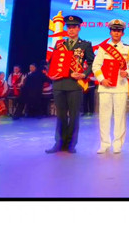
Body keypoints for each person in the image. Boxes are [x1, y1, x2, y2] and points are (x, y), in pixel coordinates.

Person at [45, 15, 95, 154]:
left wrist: (84, 74)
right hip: (59, 83)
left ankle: (71, 144)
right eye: (69, 27)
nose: (71, 30)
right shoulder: (59, 44)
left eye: (74, 27)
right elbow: (52, 62)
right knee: (60, 115)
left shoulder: (85, 45)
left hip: (74, 85)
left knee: (74, 115)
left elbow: (92, 63)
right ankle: (58, 143)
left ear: (79, 28)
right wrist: (50, 74)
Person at [92, 19, 129, 154]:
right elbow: (96, 66)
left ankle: (118, 144)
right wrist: (102, 79)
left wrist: (127, 73)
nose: (116, 33)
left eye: (119, 30)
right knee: (104, 116)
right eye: (114, 30)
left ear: (123, 33)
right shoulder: (102, 48)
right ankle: (104, 143)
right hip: (105, 87)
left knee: (120, 116)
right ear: (110, 32)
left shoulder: (128, 49)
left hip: (121, 86)